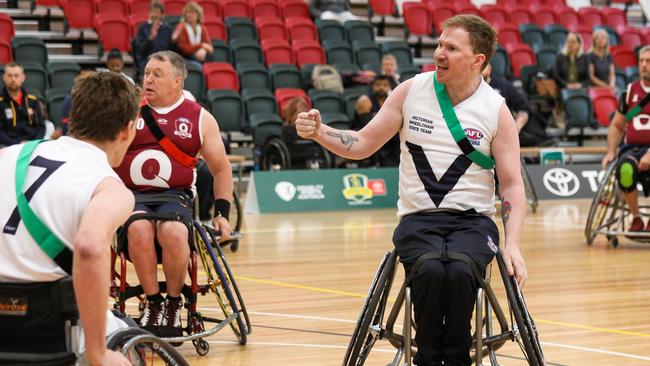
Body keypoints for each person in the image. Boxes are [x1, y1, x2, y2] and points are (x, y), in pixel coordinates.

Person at [296, 14, 527, 366]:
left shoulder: (496, 110)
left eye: (451, 48)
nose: (439, 53)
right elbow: (361, 144)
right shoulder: (411, 90)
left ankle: (456, 355)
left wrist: (513, 245)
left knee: (463, 270)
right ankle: (431, 358)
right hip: (419, 219)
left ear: (477, 60)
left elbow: (511, 183)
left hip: (473, 222)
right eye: (439, 44)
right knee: (432, 269)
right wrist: (319, 132)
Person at [0, 71, 140, 365]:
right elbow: (89, 246)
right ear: (127, 130)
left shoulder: (9, 155)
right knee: (127, 339)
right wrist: (98, 353)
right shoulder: (110, 187)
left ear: (72, 117)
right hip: (50, 329)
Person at [114, 50, 233, 336]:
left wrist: (222, 214)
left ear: (177, 82)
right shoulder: (129, 111)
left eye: (157, 74)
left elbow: (221, 170)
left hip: (175, 196)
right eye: (146, 73)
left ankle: (173, 303)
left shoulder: (199, 118)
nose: (148, 80)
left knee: (174, 233)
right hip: (131, 196)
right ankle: (154, 303)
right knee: (140, 229)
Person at [601, 45, 650, 232]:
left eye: (648, 61)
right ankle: (636, 218)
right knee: (626, 169)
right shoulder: (630, 92)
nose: (644, 65)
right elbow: (617, 125)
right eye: (641, 61)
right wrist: (611, 151)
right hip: (633, 149)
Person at [481, 63, 553, 147]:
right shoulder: (469, 88)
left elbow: (523, 108)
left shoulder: (504, 86)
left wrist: (516, 129)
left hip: (502, 133)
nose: (479, 72)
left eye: (482, 67)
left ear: (489, 69)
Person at [354, 75, 399, 166]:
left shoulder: (391, 101)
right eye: (378, 85)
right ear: (373, 86)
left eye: (384, 85)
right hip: (364, 133)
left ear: (389, 88)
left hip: (384, 133)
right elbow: (367, 125)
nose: (381, 88)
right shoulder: (365, 101)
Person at [0, 62, 45, 147]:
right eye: (9, 75)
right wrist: (17, 144)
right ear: (4, 77)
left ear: (23, 78)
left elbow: (41, 126)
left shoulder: (33, 100)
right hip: (7, 146)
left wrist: (33, 144)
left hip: (32, 145)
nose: (13, 79)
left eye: (16, 75)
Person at [134, 1, 173, 82]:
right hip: (147, 61)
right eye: (152, 11)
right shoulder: (142, 28)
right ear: (149, 13)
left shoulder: (167, 29)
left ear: (162, 15)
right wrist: (150, 39)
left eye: (157, 12)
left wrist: (176, 39)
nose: (154, 14)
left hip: (164, 62)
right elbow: (140, 51)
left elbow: (172, 49)